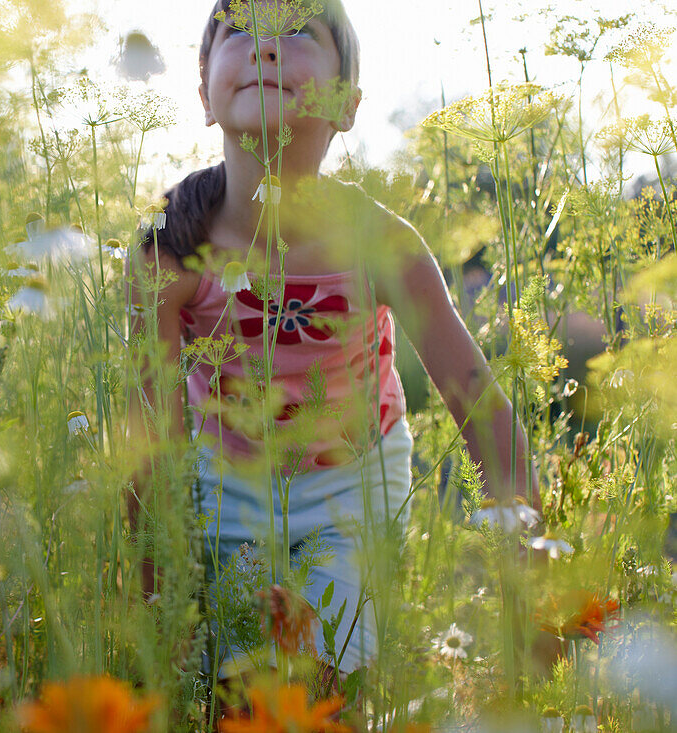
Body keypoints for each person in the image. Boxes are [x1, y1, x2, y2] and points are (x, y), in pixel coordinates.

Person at [125, 0, 538, 713]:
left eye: (296, 31)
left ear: (347, 103)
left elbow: (475, 394)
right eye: (240, 31)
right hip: (226, 476)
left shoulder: (380, 242)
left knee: (331, 678)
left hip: (354, 472)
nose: (266, 48)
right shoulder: (171, 247)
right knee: (240, 684)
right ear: (203, 90)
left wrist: (530, 554)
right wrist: (159, 600)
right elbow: (151, 438)